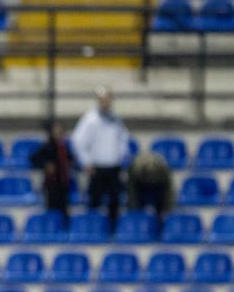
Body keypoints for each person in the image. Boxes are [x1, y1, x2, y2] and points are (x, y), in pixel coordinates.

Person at [72, 86, 130, 233]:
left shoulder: (116, 119)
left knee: (115, 201)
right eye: (103, 100)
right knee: (94, 201)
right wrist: (86, 162)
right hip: (97, 168)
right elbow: (78, 141)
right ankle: (93, 230)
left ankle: (113, 231)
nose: (106, 103)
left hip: (113, 166)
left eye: (108, 99)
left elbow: (123, 139)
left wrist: (122, 156)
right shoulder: (90, 119)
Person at [30, 121, 74, 222]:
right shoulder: (47, 146)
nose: (58, 132)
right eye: (56, 130)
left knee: (64, 212)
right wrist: (46, 165)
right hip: (52, 184)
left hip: (63, 183)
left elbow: (70, 159)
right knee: (52, 211)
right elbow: (34, 158)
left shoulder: (64, 146)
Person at [127, 150, 174, 227]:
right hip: (140, 188)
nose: (150, 178)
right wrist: (133, 208)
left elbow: (168, 191)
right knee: (135, 206)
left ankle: (160, 227)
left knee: (162, 208)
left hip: (158, 188)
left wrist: (168, 207)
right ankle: (138, 226)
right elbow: (131, 191)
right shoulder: (135, 169)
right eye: (148, 174)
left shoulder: (163, 170)